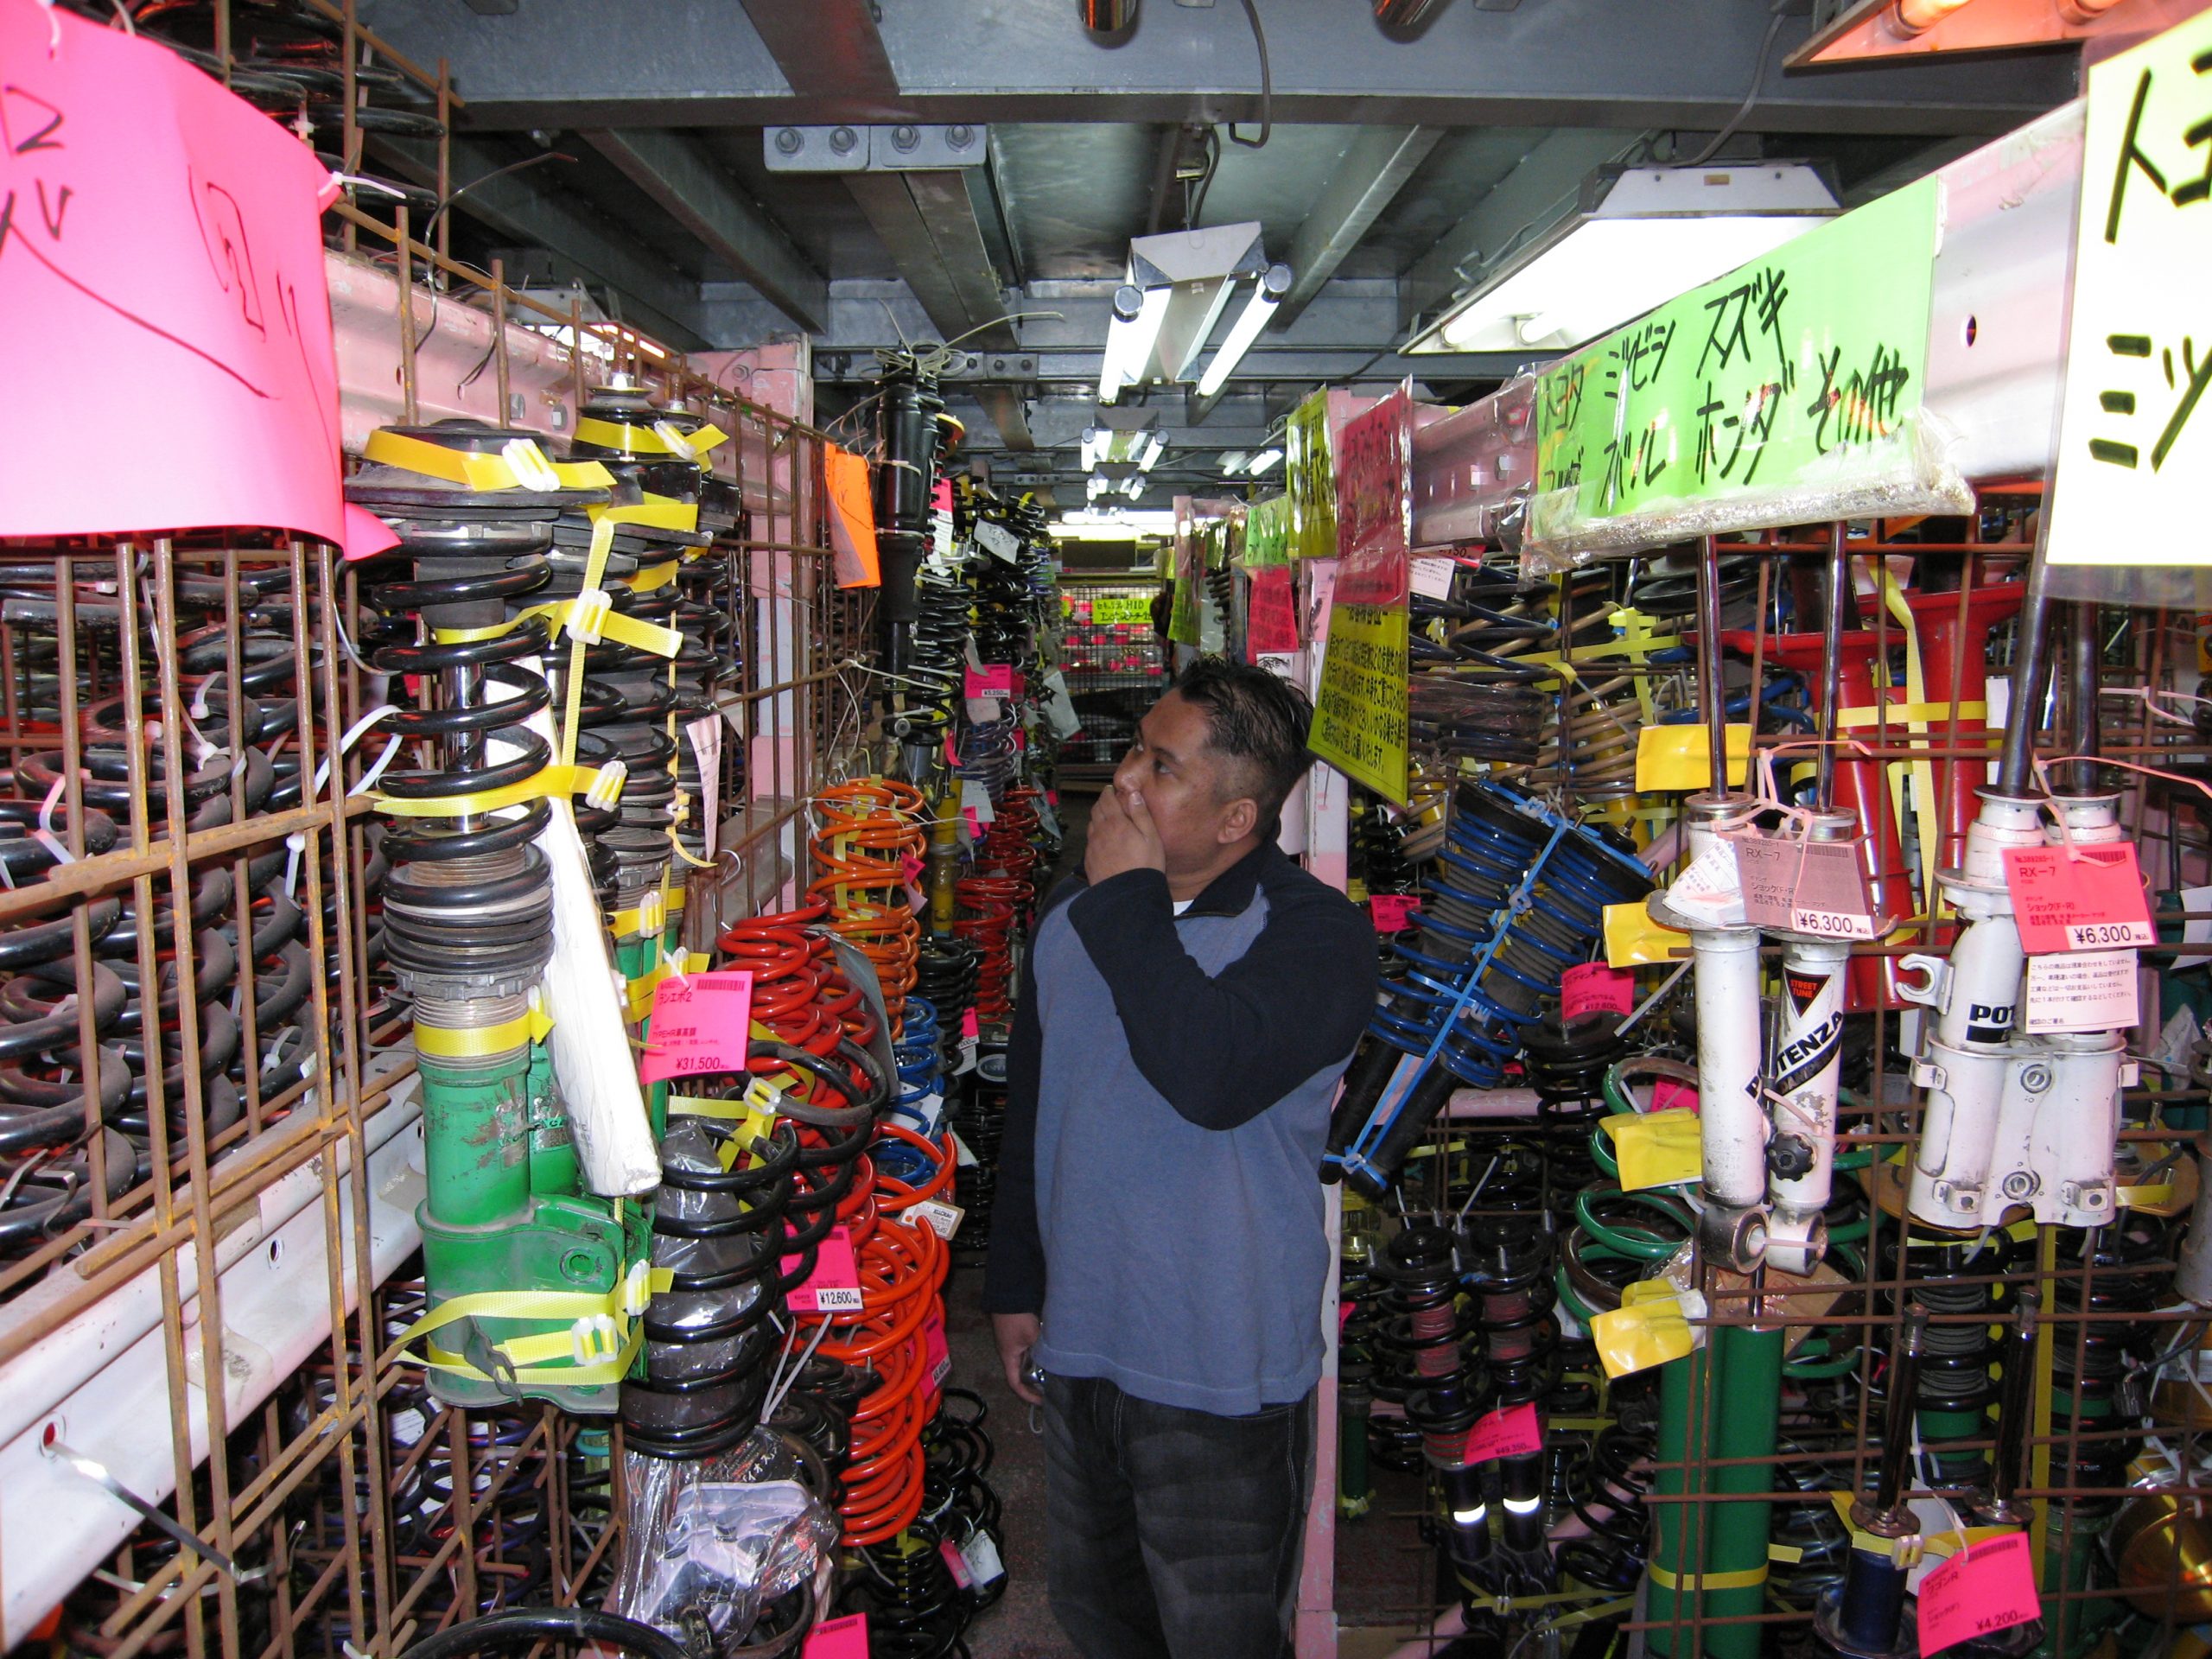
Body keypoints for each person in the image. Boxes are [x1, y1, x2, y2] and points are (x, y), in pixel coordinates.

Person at [982, 658, 1379, 1659]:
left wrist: (1127, 898)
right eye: (1134, 749)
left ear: (1238, 818)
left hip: (1223, 1378)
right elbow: (1037, 1107)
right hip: (1082, 1347)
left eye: (1161, 767)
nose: (1122, 779)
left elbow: (1207, 1076)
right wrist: (1015, 1282)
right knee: (1102, 1624)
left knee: (1222, 1637)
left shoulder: (1317, 937)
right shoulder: (1072, 915)